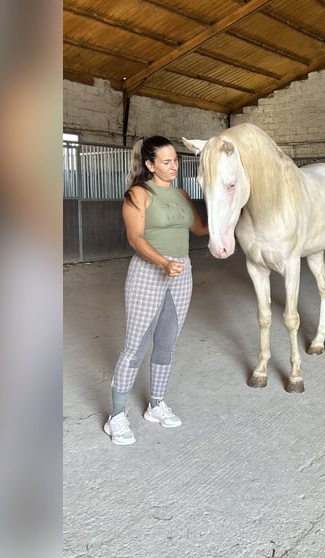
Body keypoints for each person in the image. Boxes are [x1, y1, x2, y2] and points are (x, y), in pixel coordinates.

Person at [104, 135, 208, 445]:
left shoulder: (181, 193)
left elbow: (200, 229)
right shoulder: (138, 195)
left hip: (181, 273)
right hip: (149, 272)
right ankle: (116, 417)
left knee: (167, 342)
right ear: (150, 165)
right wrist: (163, 262)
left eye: (175, 160)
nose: (174, 165)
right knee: (135, 345)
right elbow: (135, 239)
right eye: (166, 161)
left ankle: (156, 405)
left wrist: (234, 213)